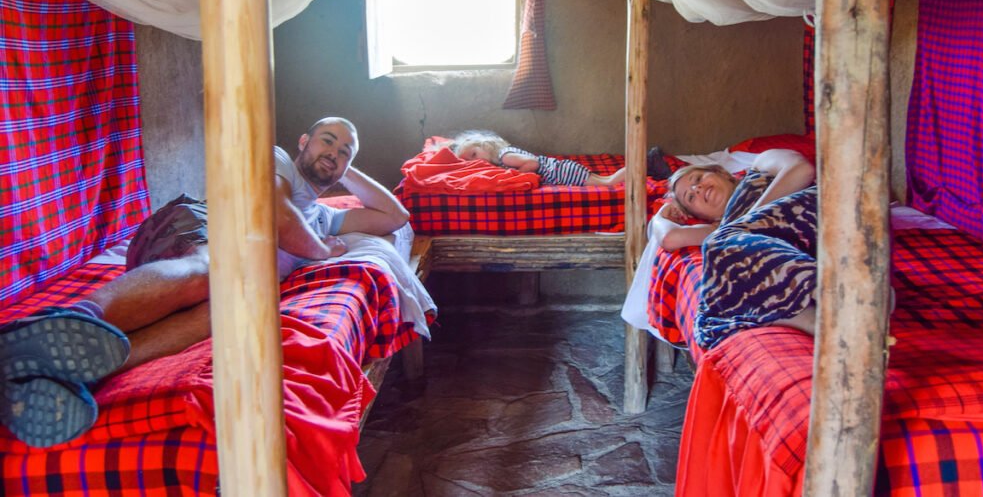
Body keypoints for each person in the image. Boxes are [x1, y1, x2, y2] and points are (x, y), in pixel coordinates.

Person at [0, 117, 409, 448]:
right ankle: (68, 319)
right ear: (304, 141)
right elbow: (280, 217)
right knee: (213, 268)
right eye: (327, 141)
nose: (333, 154)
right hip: (196, 228)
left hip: (239, 277)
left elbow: (395, 217)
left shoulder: (322, 215)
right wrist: (322, 250)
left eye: (343, 152)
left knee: (229, 310)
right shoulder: (277, 160)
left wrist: (345, 166)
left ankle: (71, 370)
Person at [648, 148, 819, 349]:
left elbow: (802, 170)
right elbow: (669, 238)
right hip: (808, 254)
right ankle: (821, 320)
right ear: (702, 216)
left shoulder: (760, 166)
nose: (697, 189)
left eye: (698, 178)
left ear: (720, 173)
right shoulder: (720, 231)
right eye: (690, 198)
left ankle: (821, 313)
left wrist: (750, 220)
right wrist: (660, 215)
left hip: (820, 216)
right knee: (713, 310)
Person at [451, 129, 627, 187]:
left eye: (473, 154)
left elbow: (533, 163)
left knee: (608, 183)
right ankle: (638, 168)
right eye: (468, 160)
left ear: (485, 145)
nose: (472, 162)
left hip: (561, 173)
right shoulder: (502, 156)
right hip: (561, 168)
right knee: (604, 180)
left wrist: (517, 174)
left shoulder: (506, 157)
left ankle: (640, 167)